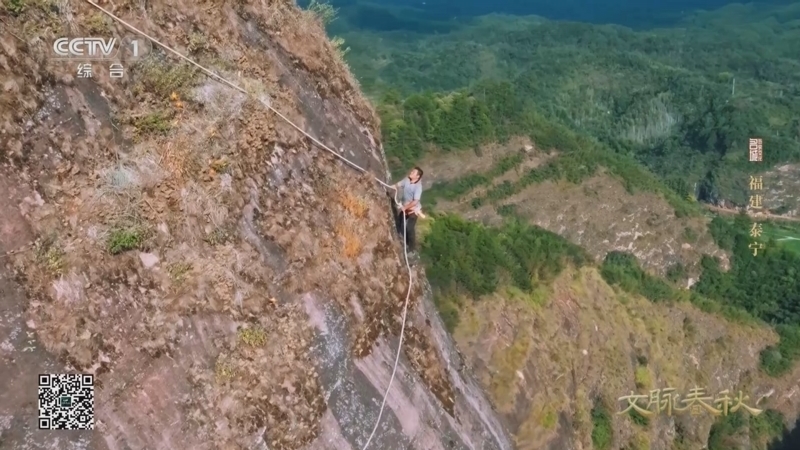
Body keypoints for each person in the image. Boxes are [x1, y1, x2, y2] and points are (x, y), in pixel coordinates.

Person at [390, 166, 423, 252]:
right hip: (405, 208)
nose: (411, 173)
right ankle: (403, 240)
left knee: (409, 228)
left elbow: (415, 201)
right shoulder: (407, 180)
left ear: (417, 176)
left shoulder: (418, 187)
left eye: (413, 172)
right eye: (412, 171)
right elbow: (398, 184)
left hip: (413, 210)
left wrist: (405, 207)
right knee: (400, 224)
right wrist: (392, 186)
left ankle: (411, 248)